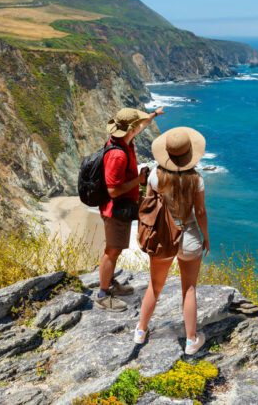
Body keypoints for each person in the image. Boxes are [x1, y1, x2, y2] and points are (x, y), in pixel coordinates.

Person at [134, 126, 210, 355]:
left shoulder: (156, 176)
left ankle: (140, 331)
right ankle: (190, 340)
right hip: (189, 236)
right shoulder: (196, 179)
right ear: (189, 154)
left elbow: (148, 203)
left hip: (163, 238)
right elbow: (201, 212)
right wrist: (206, 238)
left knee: (155, 286)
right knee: (189, 289)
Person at [96, 106, 164, 312]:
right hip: (114, 210)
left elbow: (140, 126)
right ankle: (102, 293)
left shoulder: (124, 141)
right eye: (136, 125)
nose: (139, 128)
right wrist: (139, 180)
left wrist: (153, 115)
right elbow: (113, 190)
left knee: (115, 250)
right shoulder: (118, 155)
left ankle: (108, 284)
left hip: (121, 207)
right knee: (112, 251)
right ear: (130, 129)